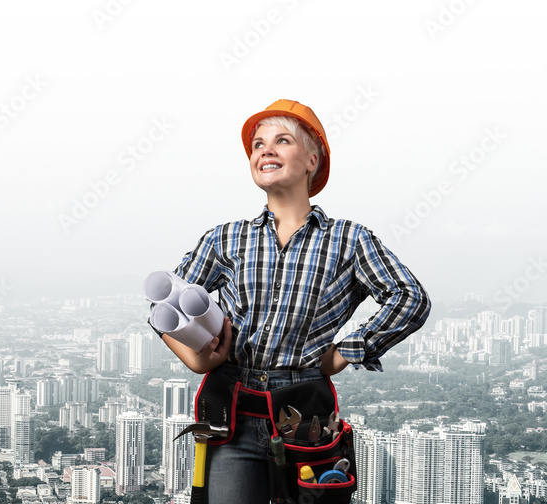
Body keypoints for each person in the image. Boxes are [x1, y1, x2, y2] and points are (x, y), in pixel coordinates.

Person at [152, 99, 431, 503]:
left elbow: (410, 298)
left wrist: (345, 352)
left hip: (305, 415)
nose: (265, 149)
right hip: (233, 412)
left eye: (282, 141)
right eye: (258, 144)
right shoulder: (225, 238)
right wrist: (196, 360)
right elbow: (163, 309)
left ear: (312, 160)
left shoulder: (349, 240)